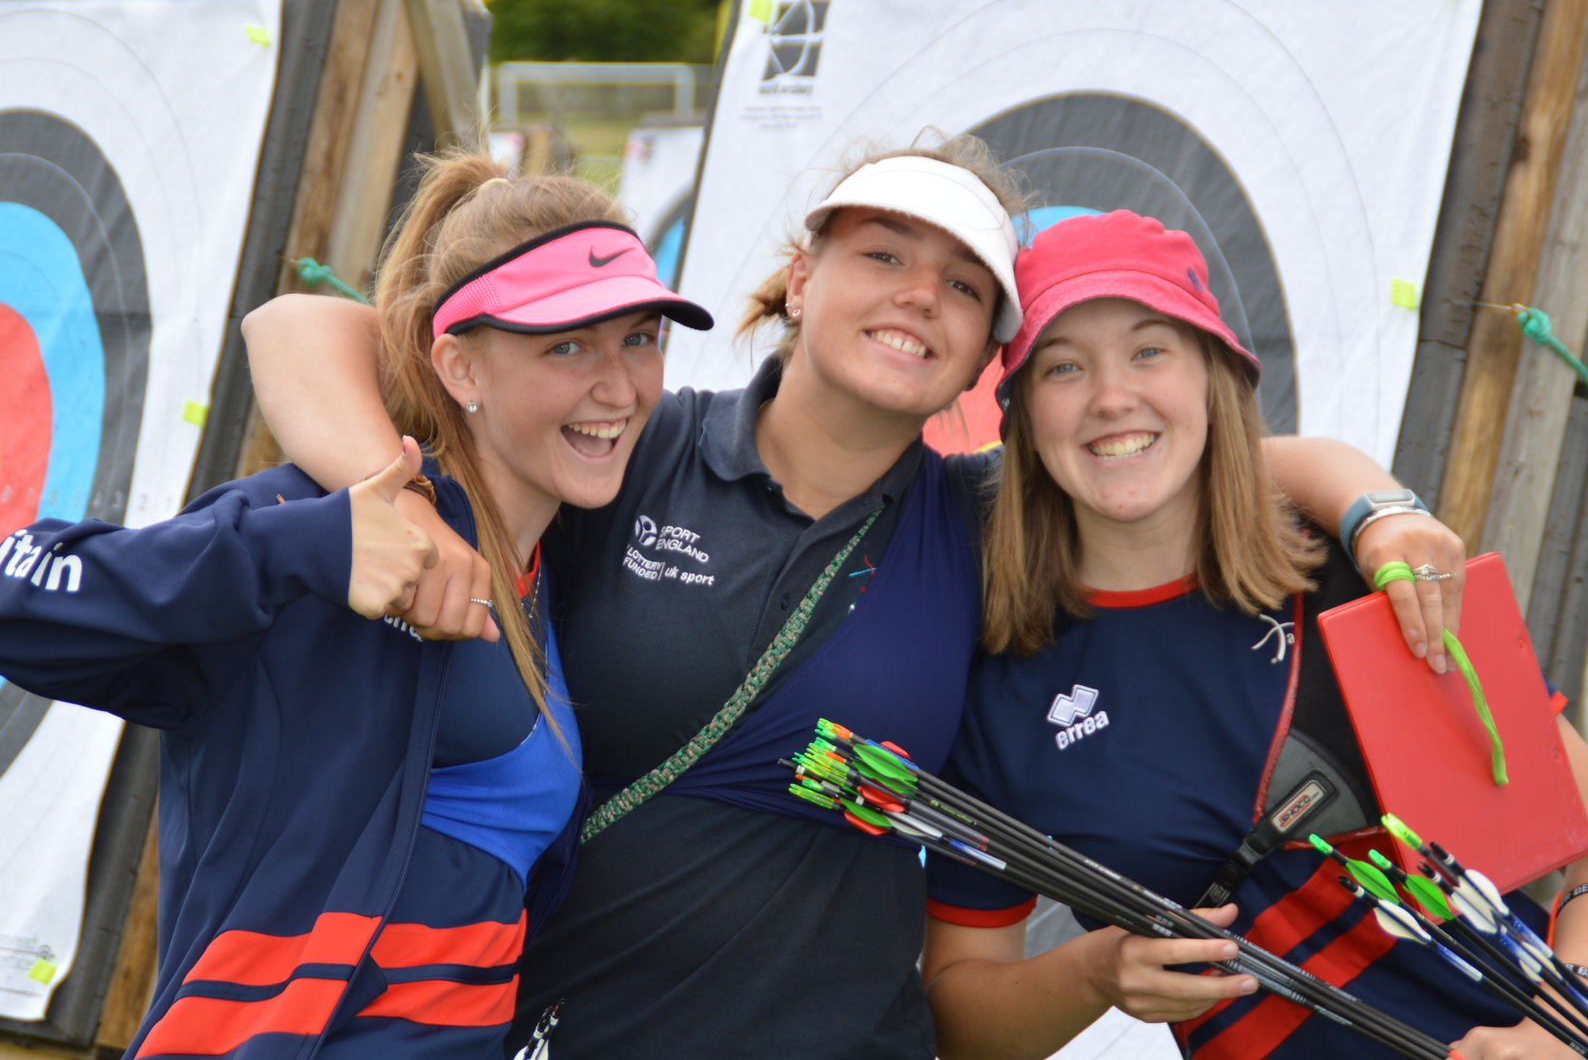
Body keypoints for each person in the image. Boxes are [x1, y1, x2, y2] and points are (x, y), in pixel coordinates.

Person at [242, 136, 1469, 1059]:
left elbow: (1232, 459)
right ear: (800, 273)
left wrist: (1379, 509)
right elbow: (302, 326)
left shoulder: (989, 517)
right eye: (882, 254)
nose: (916, 295)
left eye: (962, 284)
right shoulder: (627, 447)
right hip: (578, 1018)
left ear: (989, 350)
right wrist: (384, 494)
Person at [0, 153, 712, 1060]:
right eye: (566, 345)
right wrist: (304, 545)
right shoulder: (326, 530)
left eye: (640, 337)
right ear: (459, 367)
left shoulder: (552, 561)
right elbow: (19, 592)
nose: (618, 388)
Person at [919, 210, 1588, 1060]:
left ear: (1215, 377)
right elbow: (962, 1019)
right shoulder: (995, 679)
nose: (1111, 396)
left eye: (1150, 350)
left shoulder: (1352, 582)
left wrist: (1569, 1022)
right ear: (1019, 417)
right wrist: (1095, 972)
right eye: (1063, 367)